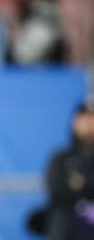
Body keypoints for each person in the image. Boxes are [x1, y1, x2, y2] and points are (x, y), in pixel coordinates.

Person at [44, 100, 94, 239]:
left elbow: (74, 187)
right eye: (85, 118)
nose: (89, 124)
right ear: (75, 122)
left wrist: (81, 183)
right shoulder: (61, 159)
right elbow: (57, 190)